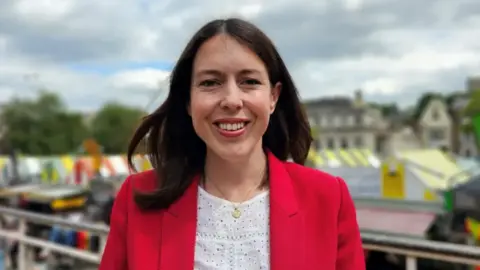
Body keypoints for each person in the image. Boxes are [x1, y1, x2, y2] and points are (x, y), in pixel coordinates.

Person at [99, 18, 365, 270]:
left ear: (273, 97)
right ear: (188, 102)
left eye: (249, 82)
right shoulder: (138, 198)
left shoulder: (328, 199)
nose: (231, 100)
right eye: (210, 83)